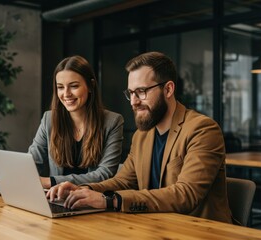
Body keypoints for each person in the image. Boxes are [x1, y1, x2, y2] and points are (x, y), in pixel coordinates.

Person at [47, 51, 233, 224]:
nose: (134, 101)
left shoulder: (202, 130)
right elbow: (124, 181)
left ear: (168, 90)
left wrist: (110, 201)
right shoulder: (142, 135)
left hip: (199, 231)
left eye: (141, 92)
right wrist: (85, 189)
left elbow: (185, 194)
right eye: (131, 93)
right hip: (156, 227)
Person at [28, 55, 124, 189]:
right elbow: (31, 162)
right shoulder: (48, 119)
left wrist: (52, 182)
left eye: (73, 86)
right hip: (56, 198)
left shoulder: (112, 122)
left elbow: (105, 174)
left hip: (91, 200)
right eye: (60, 87)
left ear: (91, 86)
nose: (66, 94)